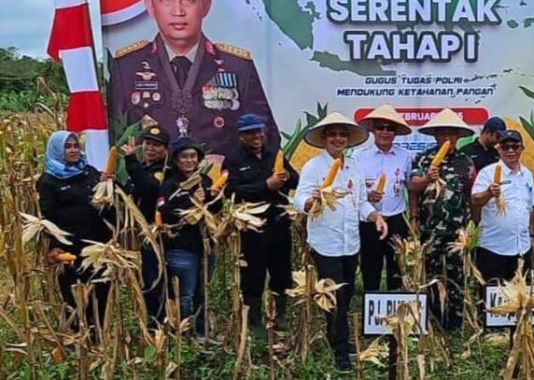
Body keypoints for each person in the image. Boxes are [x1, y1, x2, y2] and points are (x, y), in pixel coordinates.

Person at [109, 0, 280, 157]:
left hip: (220, 182)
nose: (178, 11)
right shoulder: (127, 67)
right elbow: (115, 136)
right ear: (151, 7)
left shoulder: (237, 66)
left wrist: (233, 168)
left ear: (205, 7)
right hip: (153, 182)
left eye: (188, 0)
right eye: (166, 0)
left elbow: (266, 135)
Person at [293, 112, 388, 373]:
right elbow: (299, 201)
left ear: (348, 139)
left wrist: (375, 216)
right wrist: (311, 201)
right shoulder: (314, 167)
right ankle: (340, 348)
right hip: (326, 243)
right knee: (335, 296)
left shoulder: (354, 167)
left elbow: (360, 204)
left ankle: (340, 338)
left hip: (350, 243)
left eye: (342, 134)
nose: (338, 138)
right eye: (333, 134)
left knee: (345, 294)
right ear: (324, 138)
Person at [224, 113, 298, 337]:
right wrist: (266, 185)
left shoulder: (275, 154)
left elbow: (295, 179)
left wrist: (286, 177)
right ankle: (254, 320)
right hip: (251, 229)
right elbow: (230, 191)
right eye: (250, 133)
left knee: (281, 273)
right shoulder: (233, 160)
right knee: (253, 276)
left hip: (278, 224)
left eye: (258, 131)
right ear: (241, 136)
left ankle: (280, 315)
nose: (256, 136)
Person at [37, 131, 114, 330]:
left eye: (75, 146)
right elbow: (47, 217)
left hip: (97, 246)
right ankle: (77, 341)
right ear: (57, 150)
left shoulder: (90, 172)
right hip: (69, 249)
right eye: (67, 147)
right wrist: (54, 246)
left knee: (101, 293)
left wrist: (108, 186)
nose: (73, 150)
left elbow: (108, 205)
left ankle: (99, 337)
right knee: (73, 299)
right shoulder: (48, 181)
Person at [409, 108, 476, 331]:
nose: (447, 137)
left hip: (457, 229)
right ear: (435, 135)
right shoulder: (423, 158)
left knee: (457, 274)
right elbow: (413, 186)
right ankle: (432, 318)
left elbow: (470, 193)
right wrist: (416, 214)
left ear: (458, 136)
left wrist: (472, 223)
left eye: (451, 133)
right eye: (442, 133)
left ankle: (455, 321)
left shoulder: (466, 162)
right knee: (432, 274)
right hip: (431, 229)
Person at [158, 137, 222, 335]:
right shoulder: (169, 185)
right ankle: (183, 336)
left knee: (203, 293)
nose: (189, 161)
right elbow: (165, 212)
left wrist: (212, 197)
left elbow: (216, 208)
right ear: (176, 160)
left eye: (193, 156)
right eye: (184, 157)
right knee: (184, 296)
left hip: (205, 245)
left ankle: (202, 332)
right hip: (181, 248)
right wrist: (190, 203)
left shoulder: (205, 181)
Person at [352, 104, 413, 291]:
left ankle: (395, 312)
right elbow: (353, 189)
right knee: (371, 267)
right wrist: (367, 195)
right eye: (380, 127)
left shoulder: (405, 156)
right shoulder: (358, 156)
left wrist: (414, 217)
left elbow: (410, 187)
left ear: (395, 133)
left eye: (390, 128)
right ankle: (371, 310)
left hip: (396, 219)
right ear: (373, 130)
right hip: (369, 220)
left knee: (397, 268)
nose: (385, 132)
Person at [471, 130, 534, 283]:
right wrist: (488, 193)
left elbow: (531, 208)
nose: (511, 151)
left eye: (515, 147)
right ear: (498, 148)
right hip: (494, 248)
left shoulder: (527, 175)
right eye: (506, 147)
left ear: (522, 149)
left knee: (520, 301)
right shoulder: (487, 173)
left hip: (522, 248)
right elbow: (475, 200)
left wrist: (532, 234)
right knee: (492, 300)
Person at [121, 125, 170, 327]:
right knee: (142, 279)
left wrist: (131, 161)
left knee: (153, 280)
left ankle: (156, 322)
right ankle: (146, 318)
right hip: (137, 235)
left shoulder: (162, 173)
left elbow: (149, 189)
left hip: (154, 235)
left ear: (166, 150)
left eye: (157, 145)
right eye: (148, 144)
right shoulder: (144, 168)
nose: (150, 148)